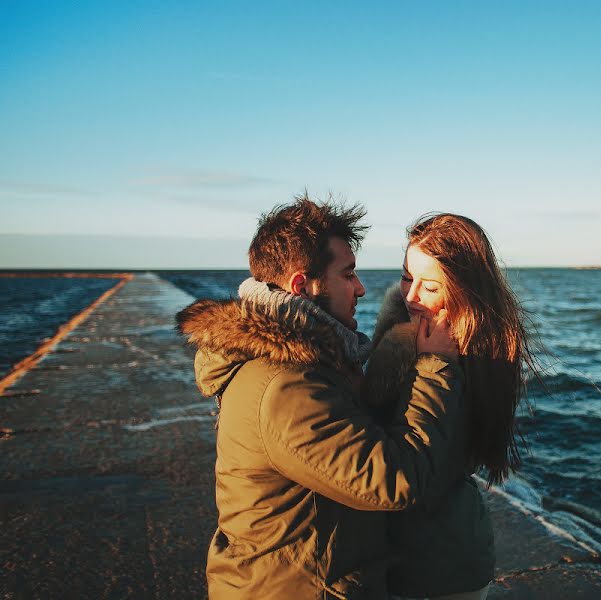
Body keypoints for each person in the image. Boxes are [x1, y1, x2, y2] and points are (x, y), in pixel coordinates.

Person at [176, 196, 464, 599]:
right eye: (348, 275)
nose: (361, 288)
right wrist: (435, 366)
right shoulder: (286, 385)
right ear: (303, 286)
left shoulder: (305, 360)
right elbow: (395, 481)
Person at [363, 213, 539, 600]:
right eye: (407, 277)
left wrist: (428, 364)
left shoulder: (471, 356)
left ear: (462, 289)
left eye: (429, 286)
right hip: (428, 553)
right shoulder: (404, 334)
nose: (411, 296)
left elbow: (413, 469)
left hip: (437, 566)